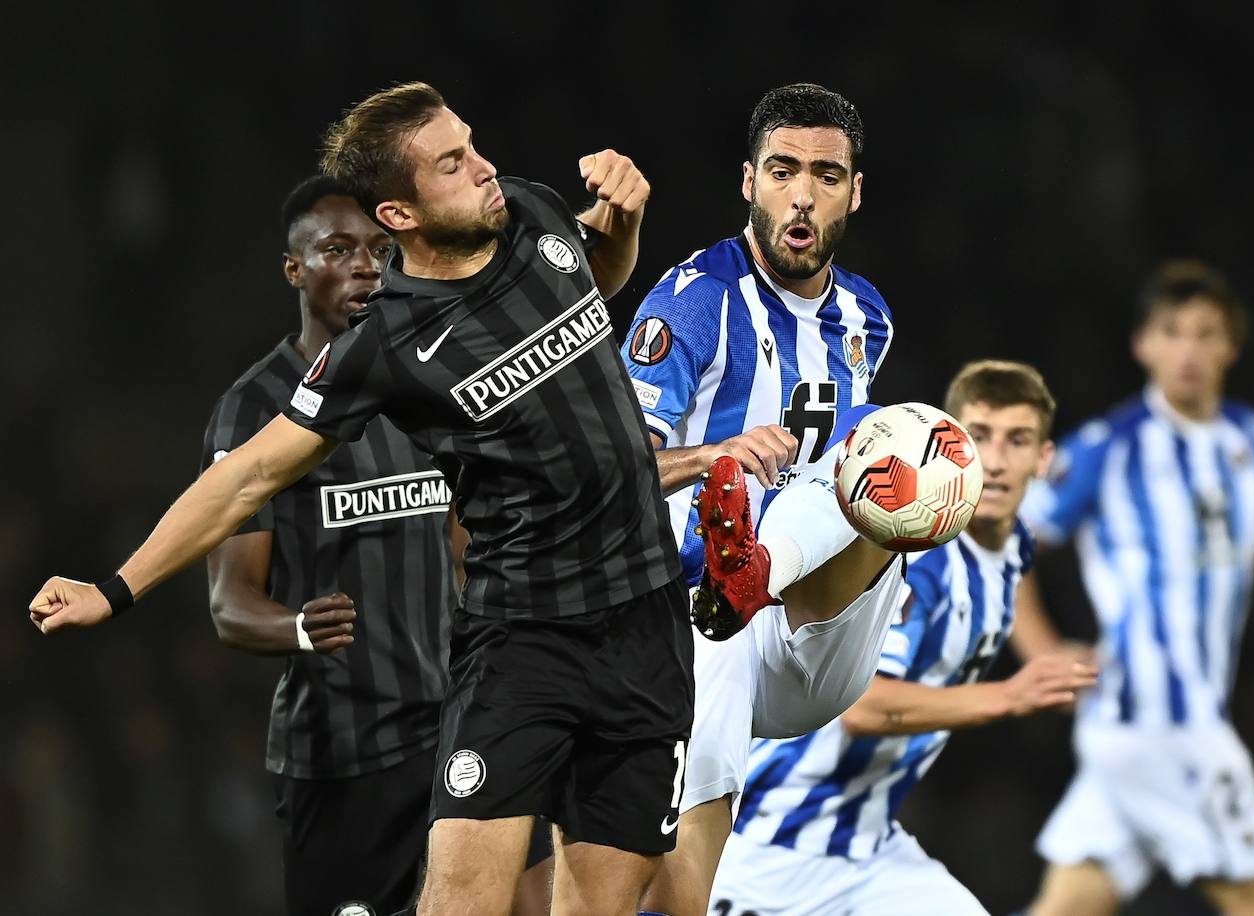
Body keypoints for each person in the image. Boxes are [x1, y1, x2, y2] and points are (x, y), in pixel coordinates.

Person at [29, 81, 689, 916]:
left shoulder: (533, 211)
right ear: (400, 216)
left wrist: (622, 223)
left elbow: (592, 287)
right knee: (459, 901)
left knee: (601, 906)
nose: (485, 168)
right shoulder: (383, 344)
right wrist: (114, 590)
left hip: (648, 620)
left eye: (473, 143)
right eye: (453, 163)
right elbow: (248, 477)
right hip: (526, 641)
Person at [200, 174, 551, 916]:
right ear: (295, 269)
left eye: (380, 250)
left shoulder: (424, 380)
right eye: (338, 249)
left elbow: (469, 542)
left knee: (539, 899)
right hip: (345, 761)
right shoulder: (255, 410)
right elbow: (231, 607)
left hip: (464, 726)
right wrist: (296, 628)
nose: (366, 266)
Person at [621, 83, 911, 915]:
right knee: (636, 855)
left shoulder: (867, 317)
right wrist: (716, 454)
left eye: (826, 175)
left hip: (813, 632)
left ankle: (757, 565)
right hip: (693, 615)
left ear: (853, 192)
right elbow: (619, 469)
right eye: (783, 170)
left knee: (902, 437)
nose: (803, 193)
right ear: (749, 181)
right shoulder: (696, 302)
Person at [1016, 260, 1254, 916]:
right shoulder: (1107, 447)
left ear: (1231, 345)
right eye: (1173, 331)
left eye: (1206, 333)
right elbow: (1009, 544)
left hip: (1148, 726)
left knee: (1066, 908)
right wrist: (1043, 655)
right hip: (1160, 722)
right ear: (1143, 344)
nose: (1189, 350)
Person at [707, 360, 1097, 916]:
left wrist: (1054, 658)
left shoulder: (1015, 551)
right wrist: (1010, 696)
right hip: (772, 846)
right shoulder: (924, 562)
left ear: (1045, 458)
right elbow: (864, 709)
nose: (996, 461)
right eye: (977, 438)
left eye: (1018, 440)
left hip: (868, 849)